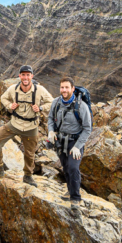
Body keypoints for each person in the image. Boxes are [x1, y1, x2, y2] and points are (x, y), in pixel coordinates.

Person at [0, 65, 53, 186]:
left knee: (30, 153)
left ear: (31, 76)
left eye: (28, 75)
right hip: (14, 123)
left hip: (31, 126)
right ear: (20, 76)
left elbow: (51, 102)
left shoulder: (39, 90)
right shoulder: (13, 89)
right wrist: (9, 106)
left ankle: (27, 175)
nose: (25, 77)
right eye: (23, 74)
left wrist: (41, 108)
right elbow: (4, 98)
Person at [47, 75, 92, 211]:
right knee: (66, 168)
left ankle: (76, 198)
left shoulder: (81, 106)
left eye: (67, 87)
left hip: (75, 142)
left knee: (73, 168)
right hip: (60, 141)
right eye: (62, 87)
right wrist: (50, 131)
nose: (64, 90)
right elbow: (50, 118)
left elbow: (87, 128)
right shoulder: (56, 103)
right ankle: (69, 190)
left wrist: (78, 146)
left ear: (73, 89)